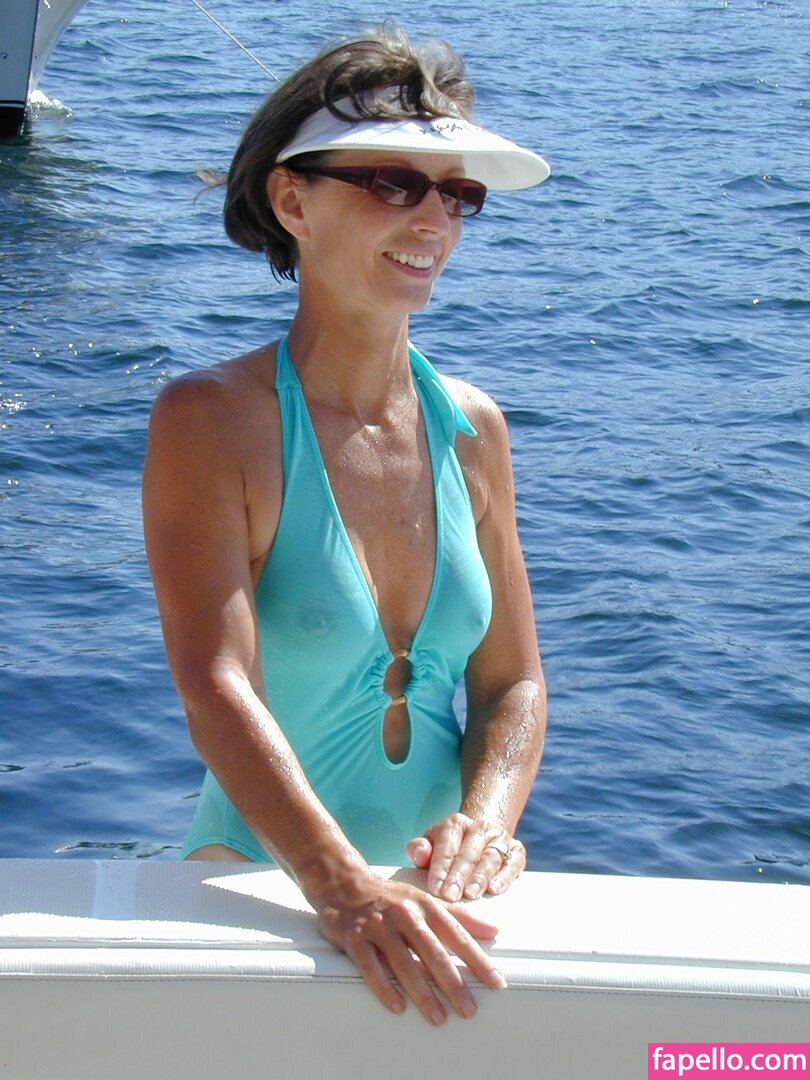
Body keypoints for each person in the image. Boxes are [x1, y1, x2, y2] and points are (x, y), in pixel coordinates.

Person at [142, 25, 548, 1026]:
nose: (435, 219)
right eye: (393, 184)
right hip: (264, 896)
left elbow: (512, 683)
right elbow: (214, 684)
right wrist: (340, 888)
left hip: (439, 912)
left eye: (457, 193)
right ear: (293, 203)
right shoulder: (211, 420)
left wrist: (485, 825)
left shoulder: (475, 430)